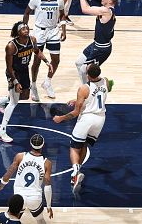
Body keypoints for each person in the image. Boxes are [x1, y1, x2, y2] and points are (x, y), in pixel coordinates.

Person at [53, 63, 111, 192]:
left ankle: (75, 173)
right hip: (100, 119)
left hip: (87, 119)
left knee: (74, 147)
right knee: (84, 144)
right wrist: (78, 99)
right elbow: (97, 95)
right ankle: (78, 170)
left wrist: (60, 118)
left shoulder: (84, 88)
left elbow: (75, 113)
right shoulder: (106, 81)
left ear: (88, 74)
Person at [0, 22, 51, 143]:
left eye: (27, 27)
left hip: (24, 71)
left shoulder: (32, 40)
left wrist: (47, 61)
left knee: (24, 96)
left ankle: (1, 100)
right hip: (13, 73)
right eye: (22, 28)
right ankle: (1, 132)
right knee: (14, 103)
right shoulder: (11, 46)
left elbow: (37, 51)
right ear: (17, 32)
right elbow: (9, 67)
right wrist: (15, 82)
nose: (26, 29)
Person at [0, 134, 54, 221]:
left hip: (19, 197)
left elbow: (8, 174)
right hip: (34, 198)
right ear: (43, 145)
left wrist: (0, 186)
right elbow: (47, 186)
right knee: (40, 220)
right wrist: (49, 206)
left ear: (30, 144)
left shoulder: (20, 156)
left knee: (12, 219)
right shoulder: (46, 163)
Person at [23, 0, 66, 100]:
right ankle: (34, 86)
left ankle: (47, 82)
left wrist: (64, 29)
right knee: (36, 62)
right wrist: (25, 29)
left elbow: (62, 15)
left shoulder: (59, 0)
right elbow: (26, 13)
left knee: (56, 60)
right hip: (39, 32)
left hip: (53, 31)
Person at [74, 0, 118, 83]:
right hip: (96, 44)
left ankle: (88, 90)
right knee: (78, 63)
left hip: (102, 49)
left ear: (110, 1)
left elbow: (84, 9)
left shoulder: (106, 11)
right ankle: (86, 87)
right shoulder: (104, 10)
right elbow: (88, 7)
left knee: (84, 70)